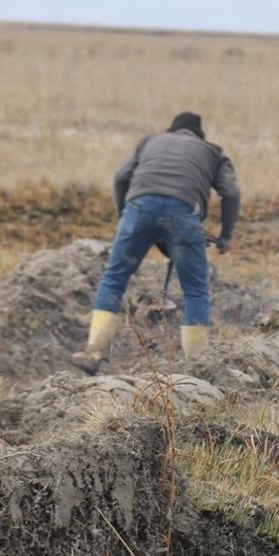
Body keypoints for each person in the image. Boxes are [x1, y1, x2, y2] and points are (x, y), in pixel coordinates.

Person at [72, 111, 240, 372]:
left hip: (139, 208)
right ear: (200, 136)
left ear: (171, 131)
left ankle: (93, 353)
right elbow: (231, 192)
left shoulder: (150, 141)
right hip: (183, 214)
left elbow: (120, 177)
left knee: (114, 278)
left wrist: (125, 214)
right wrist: (226, 236)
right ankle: (197, 369)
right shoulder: (214, 152)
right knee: (195, 290)